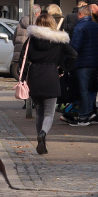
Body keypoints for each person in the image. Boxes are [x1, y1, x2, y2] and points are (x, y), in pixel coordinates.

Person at [22, 11, 77, 155]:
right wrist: (62, 68)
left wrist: (22, 78)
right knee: (49, 113)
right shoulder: (59, 40)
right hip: (51, 75)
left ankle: (41, 141)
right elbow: (73, 55)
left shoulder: (31, 39)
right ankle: (43, 133)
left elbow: (23, 58)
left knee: (39, 112)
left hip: (34, 76)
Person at [68, 0, 98, 126]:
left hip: (83, 64)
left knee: (83, 90)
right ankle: (89, 113)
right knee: (91, 90)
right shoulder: (97, 27)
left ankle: (83, 117)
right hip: (95, 64)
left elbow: (75, 47)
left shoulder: (80, 27)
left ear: (81, 14)